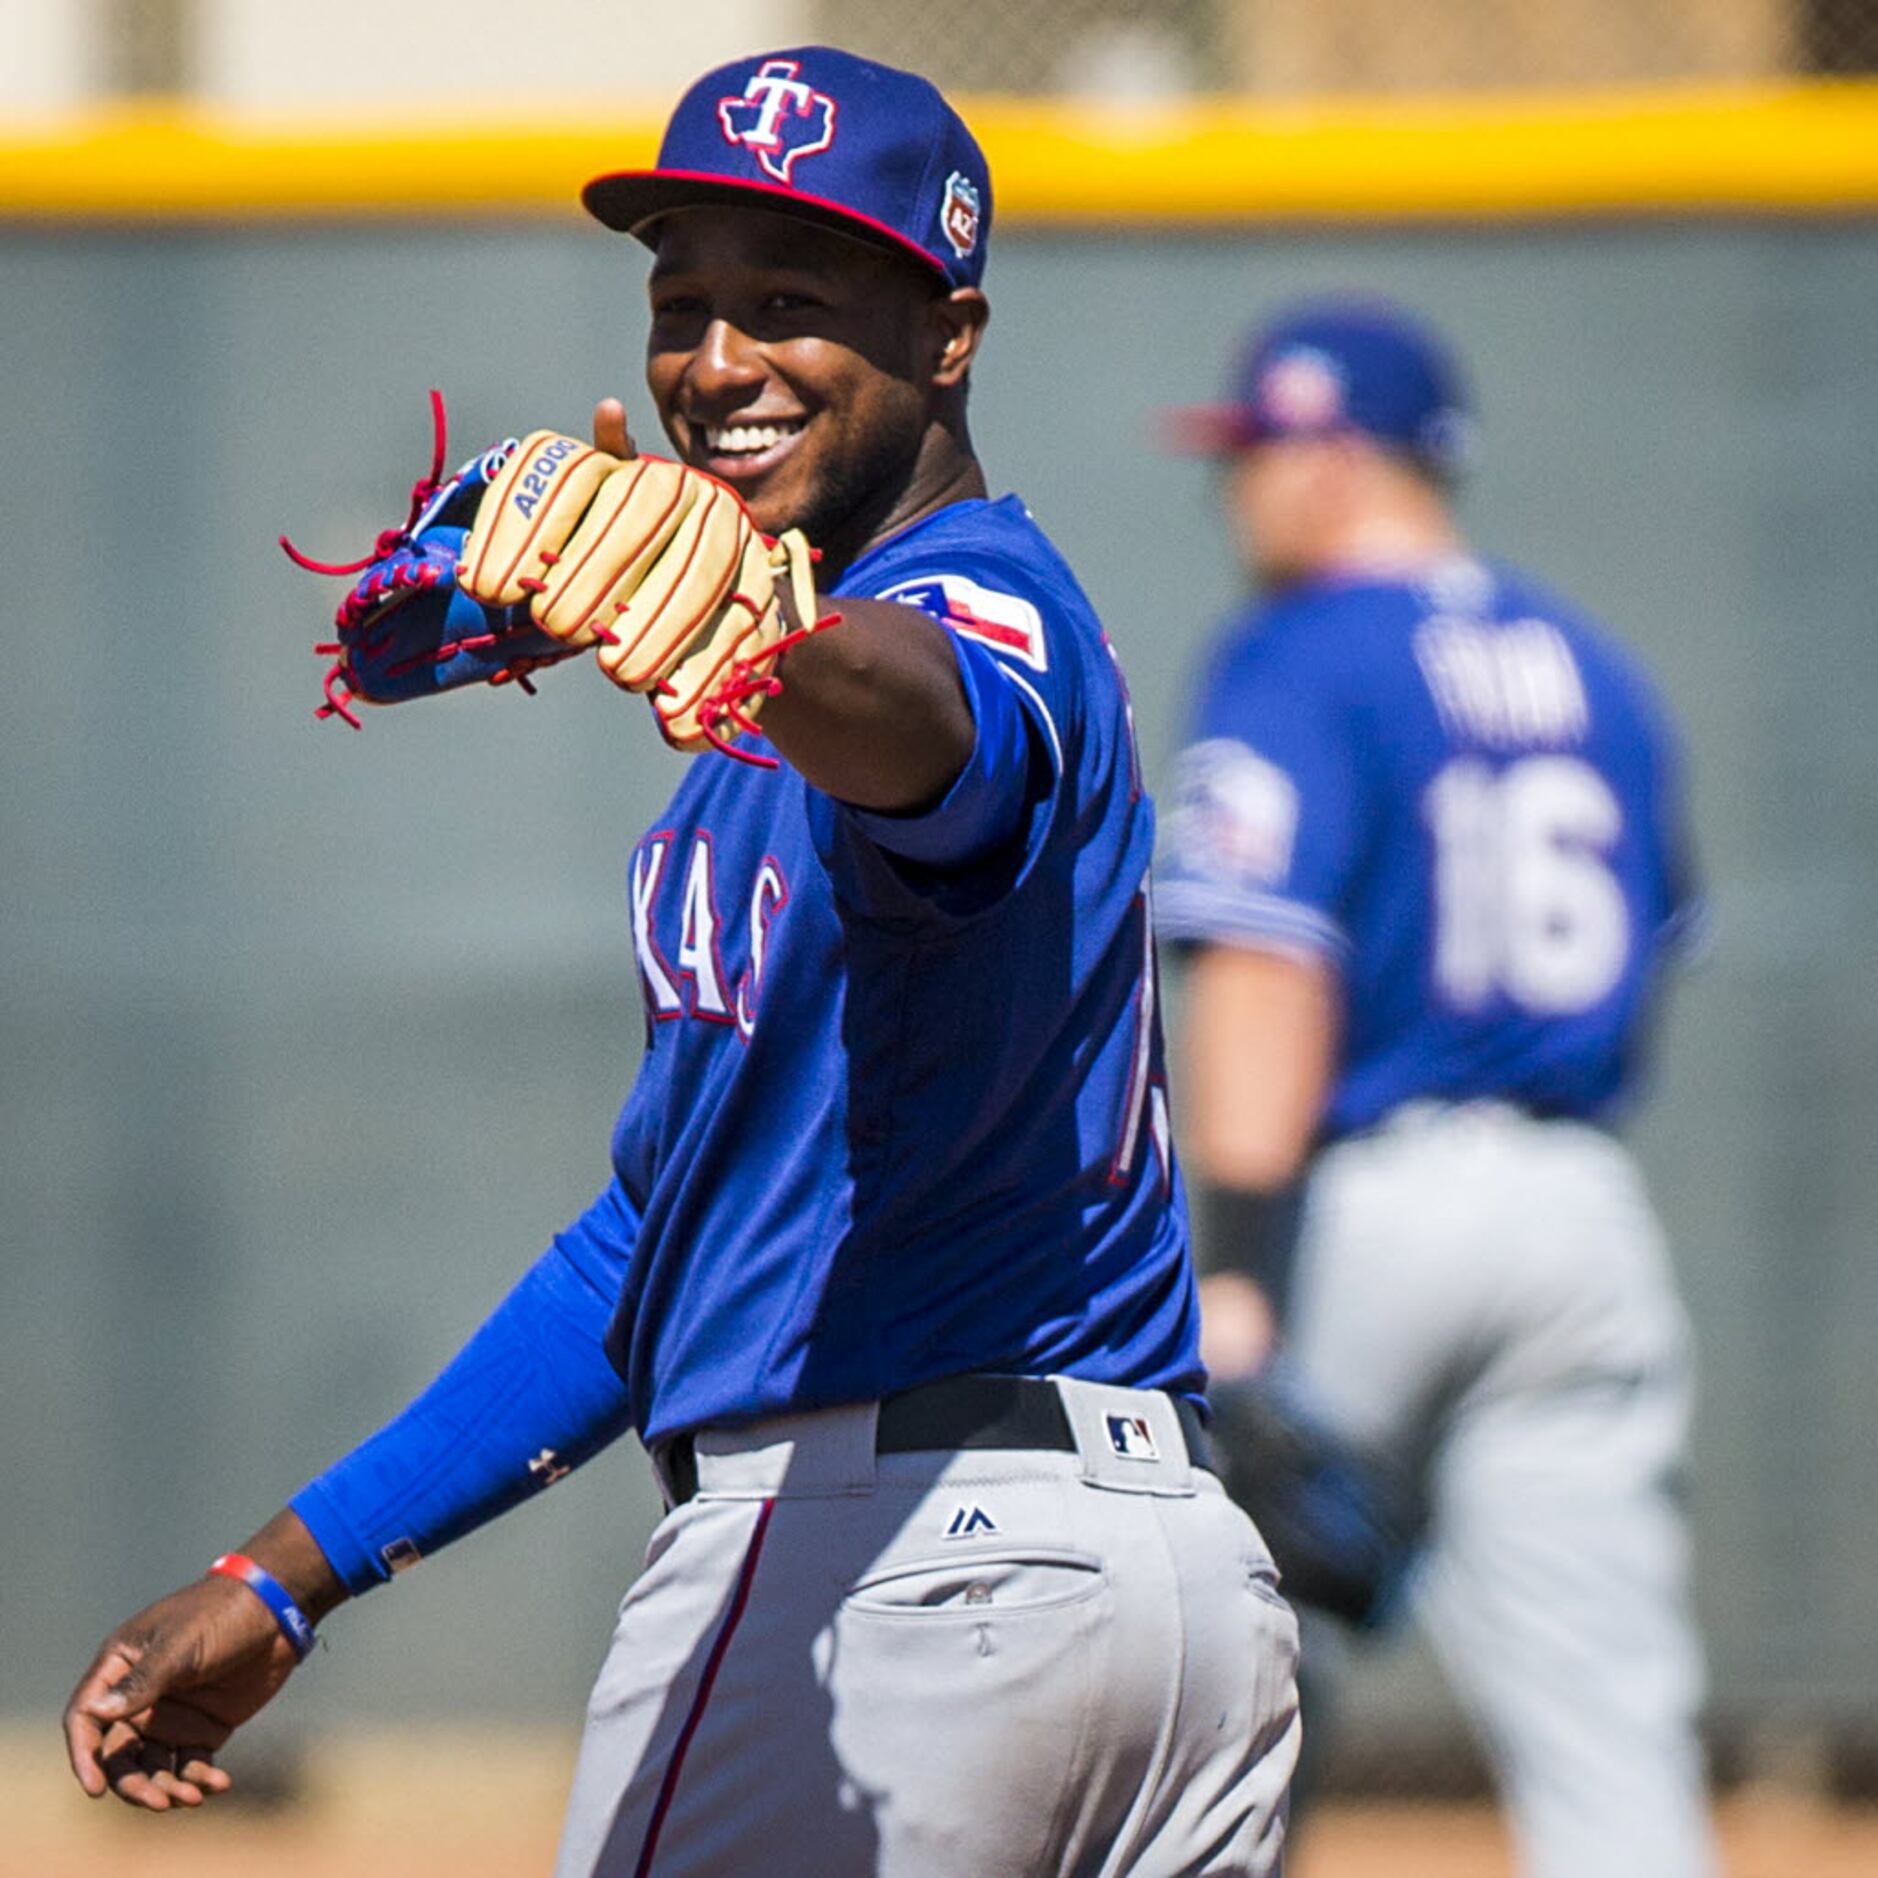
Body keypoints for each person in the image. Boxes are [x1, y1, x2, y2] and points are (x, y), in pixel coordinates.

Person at [61, 46, 1300, 1878]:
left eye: (791, 302)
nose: (717, 363)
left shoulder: (962, 607)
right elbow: (657, 1244)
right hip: (1164, 1594)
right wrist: (290, 1567)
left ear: (944, 333)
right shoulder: (768, 726)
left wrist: (764, 644)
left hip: (883, 1564)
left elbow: (937, 729)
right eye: (683, 304)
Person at [1154, 299, 1718, 1878]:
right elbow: (1658, 938)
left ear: (1335, 454)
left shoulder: (1300, 651)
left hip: (1359, 1215)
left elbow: (1265, 967)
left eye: (1253, 454)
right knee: (1612, 1731)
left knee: (1222, 1705)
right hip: (1579, 1208)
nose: (1234, 488)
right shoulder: (1599, 670)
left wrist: (1237, 1279)